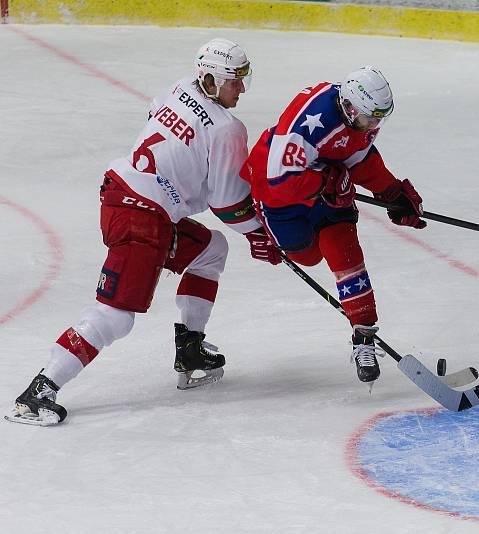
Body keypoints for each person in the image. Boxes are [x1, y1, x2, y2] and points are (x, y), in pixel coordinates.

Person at [7, 38, 275, 426]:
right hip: (142, 217)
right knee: (115, 316)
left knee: (210, 249)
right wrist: (257, 232)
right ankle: (38, 393)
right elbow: (227, 201)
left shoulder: (178, 87)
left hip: (125, 196)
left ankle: (190, 350)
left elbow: (158, 120)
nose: (241, 89)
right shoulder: (227, 129)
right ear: (213, 80)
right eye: (235, 81)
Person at [240, 66, 426, 386]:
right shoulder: (307, 123)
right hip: (280, 199)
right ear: (350, 107)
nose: (374, 125)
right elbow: (276, 179)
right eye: (371, 118)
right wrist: (325, 181)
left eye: (379, 118)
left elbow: (359, 157)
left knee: (345, 255)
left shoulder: (363, 117)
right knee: (309, 256)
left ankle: (363, 337)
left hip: (327, 196)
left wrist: (390, 191)